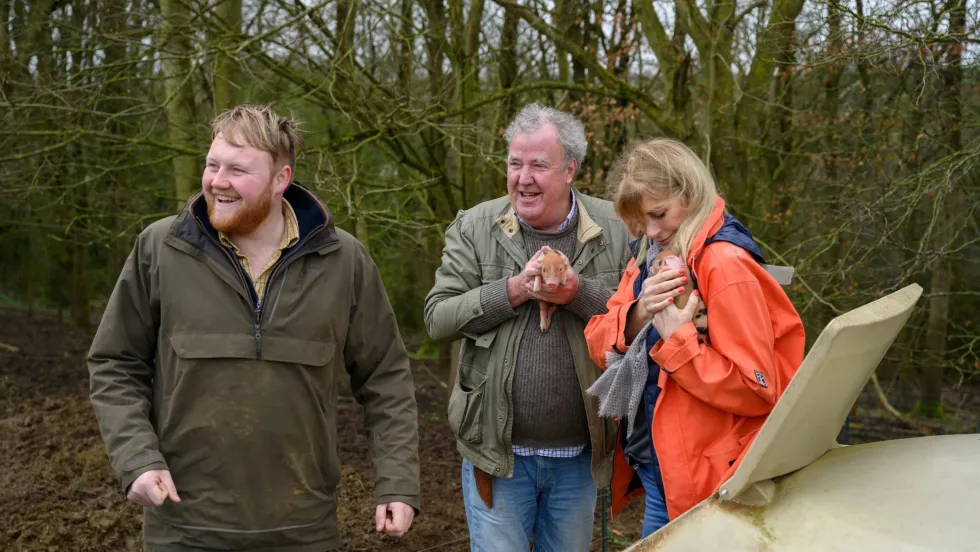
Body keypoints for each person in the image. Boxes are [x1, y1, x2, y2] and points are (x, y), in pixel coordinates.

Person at [87, 104, 421, 552]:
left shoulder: (343, 261)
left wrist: (398, 483)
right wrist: (136, 459)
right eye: (212, 165)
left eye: (238, 170)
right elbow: (115, 364)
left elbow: (386, 378)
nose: (217, 181)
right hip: (184, 529)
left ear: (281, 178)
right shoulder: (161, 249)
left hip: (304, 531)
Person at [423, 103, 631, 551]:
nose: (524, 177)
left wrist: (577, 294)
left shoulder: (618, 228)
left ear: (571, 169)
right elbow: (437, 319)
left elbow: (641, 322)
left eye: (539, 165)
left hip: (580, 456)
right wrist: (514, 290)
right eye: (515, 164)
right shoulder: (476, 227)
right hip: (497, 457)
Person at [583, 138, 805, 537]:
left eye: (659, 214)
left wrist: (680, 341)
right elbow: (598, 339)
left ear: (689, 193)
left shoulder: (724, 264)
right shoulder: (651, 254)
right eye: (641, 221)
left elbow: (759, 389)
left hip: (708, 482)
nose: (651, 230)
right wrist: (639, 313)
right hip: (661, 469)